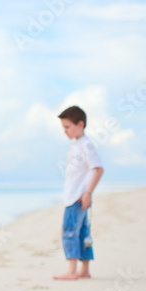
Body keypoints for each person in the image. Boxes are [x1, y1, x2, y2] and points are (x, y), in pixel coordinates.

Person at [53, 105, 103, 281]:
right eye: (63, 128)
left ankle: (72, 270)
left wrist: (88, 192)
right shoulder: (77, 145)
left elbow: (98, 169)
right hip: (75, 195)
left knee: (70, 231)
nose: (65, 131)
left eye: (67, 127)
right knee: (82, 232)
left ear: (80, 124)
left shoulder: (86, 145)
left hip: (77, 197)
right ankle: (84, 270)